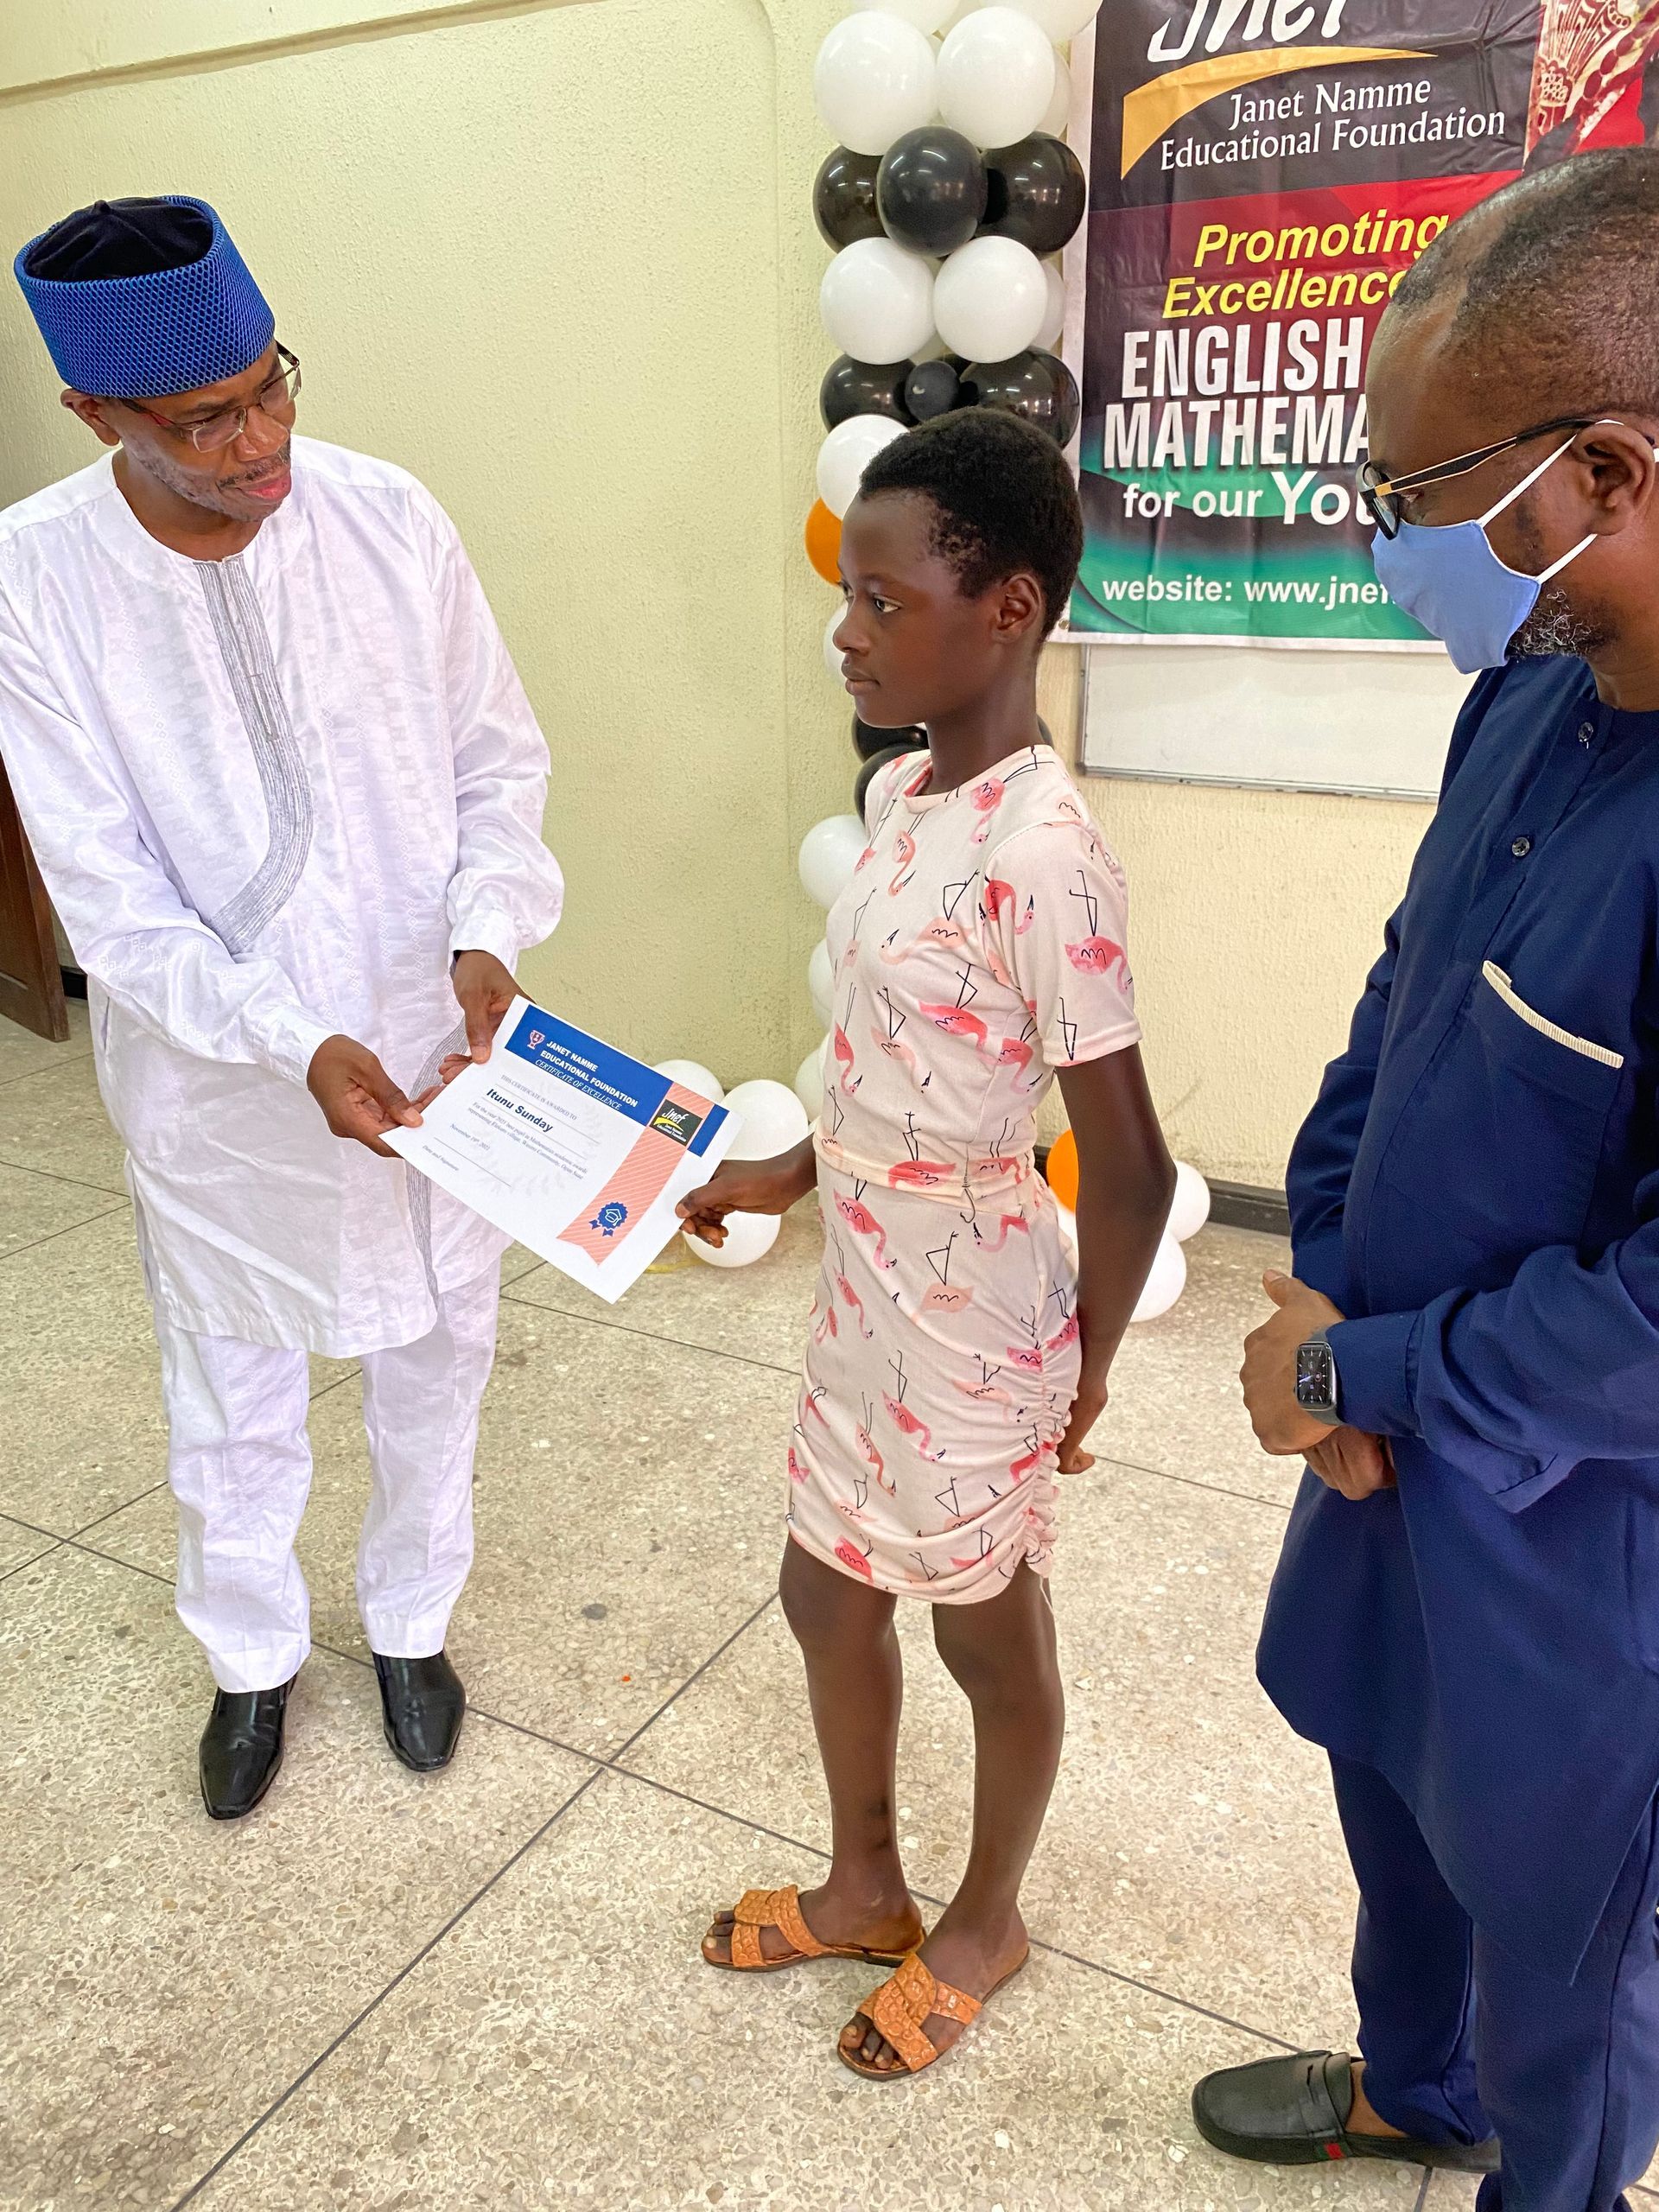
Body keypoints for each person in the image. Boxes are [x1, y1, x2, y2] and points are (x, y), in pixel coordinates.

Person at [1192, 148, 1659, 2207]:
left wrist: (1369, 1373)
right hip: (1384, 1444)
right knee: (1392, 1792)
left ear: (1610, 477)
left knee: (1580, 1943)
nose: (1402, 550)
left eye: (1429, 498)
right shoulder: (1529, 699)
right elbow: (1404, 994)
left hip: (1586, 1553)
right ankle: (1417, 2078)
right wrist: (1313, 1282)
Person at [0, 196, 563, 1819]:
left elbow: (494, 765)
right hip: (220, 1078)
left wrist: (485, 931)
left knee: (442, 1352)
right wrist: (286, 1039)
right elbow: (105, 896)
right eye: (205, 421)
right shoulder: (38, 587)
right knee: (230, 1377)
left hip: (434, 1044)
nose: (260, 443)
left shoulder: (389, 521)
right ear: (96, 417)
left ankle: (409, 1624)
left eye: (271, 387)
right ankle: (249, 1657)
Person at [677, 410, 1175, 2080]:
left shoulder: (1048, 855)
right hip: (862, 1289)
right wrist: (782, 1177)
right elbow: (893, 1063)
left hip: (977, 1317)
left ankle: (988, 1915)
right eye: (852, 597)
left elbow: (1131, 1160)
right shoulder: (903, 797)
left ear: (1010, 609)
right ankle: (868, 1883)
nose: (848, 627)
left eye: (886, 601)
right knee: (824, 1594)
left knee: (986, 1628)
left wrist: (1084, 1376)